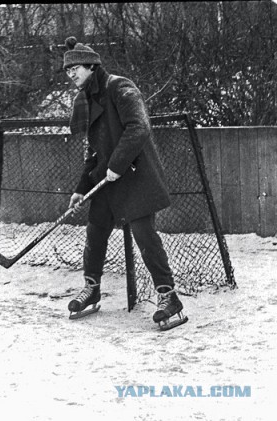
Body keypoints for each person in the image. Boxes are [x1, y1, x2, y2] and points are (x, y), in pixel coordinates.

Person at [62, 37, 187, 330]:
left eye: (75, 69)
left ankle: (170, 298)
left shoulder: (119, 87)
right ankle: (91, 290)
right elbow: (92, 151)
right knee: (95, 233)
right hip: (106, 180)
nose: (71, 76)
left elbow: (139, 127)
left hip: (134, 177)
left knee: (145, 237)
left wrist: (117, 166)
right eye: (68, 72)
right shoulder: (86, 99)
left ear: (92, 66)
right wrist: (81, 187)